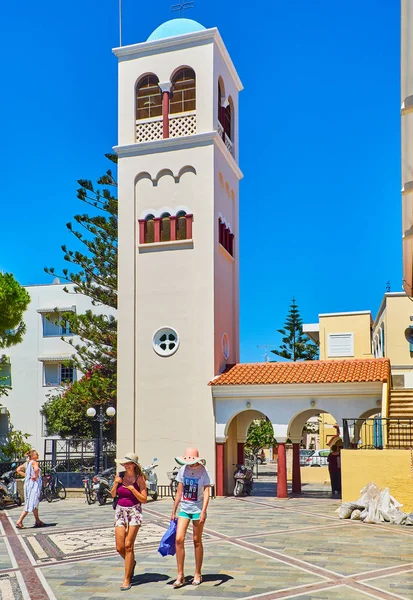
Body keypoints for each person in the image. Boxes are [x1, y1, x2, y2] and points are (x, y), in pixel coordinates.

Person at [171, 447, 212, 588]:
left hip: (197, 509)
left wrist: (204, 511)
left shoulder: (204, 471)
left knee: (196, 540)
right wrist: (173, 510)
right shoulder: (183, 470)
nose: (189, 463)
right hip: (184, 508)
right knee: (179, 539)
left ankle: (197, 573)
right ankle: (180, 574)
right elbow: (179, 491)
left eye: (192, 460)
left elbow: (207, 492)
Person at [111, 452, 147, 591]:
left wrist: (132, 489)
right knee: (119, 547)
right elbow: (113, 494)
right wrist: (115, 484)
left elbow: (144, 499)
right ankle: (131, 562)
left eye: (127, 463)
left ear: (133, 465)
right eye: (124, 464)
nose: (125, 466)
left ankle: (127, 579)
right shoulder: (120, 476)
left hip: (134, 511)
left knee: (128, 545)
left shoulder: (140, 478)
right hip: (120, 510)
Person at [15, 449, 45, 529]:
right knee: (31, 503)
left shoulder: (27, 463)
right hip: (34, 485)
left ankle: (38, 521)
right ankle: (19, 521)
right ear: (32, 456)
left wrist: (27, 475)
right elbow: (36, 469)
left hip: (27, 485)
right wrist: (35, 476)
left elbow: (18, 469)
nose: (38, 455)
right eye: (36, 454)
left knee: (33, 503)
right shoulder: (34, 462)